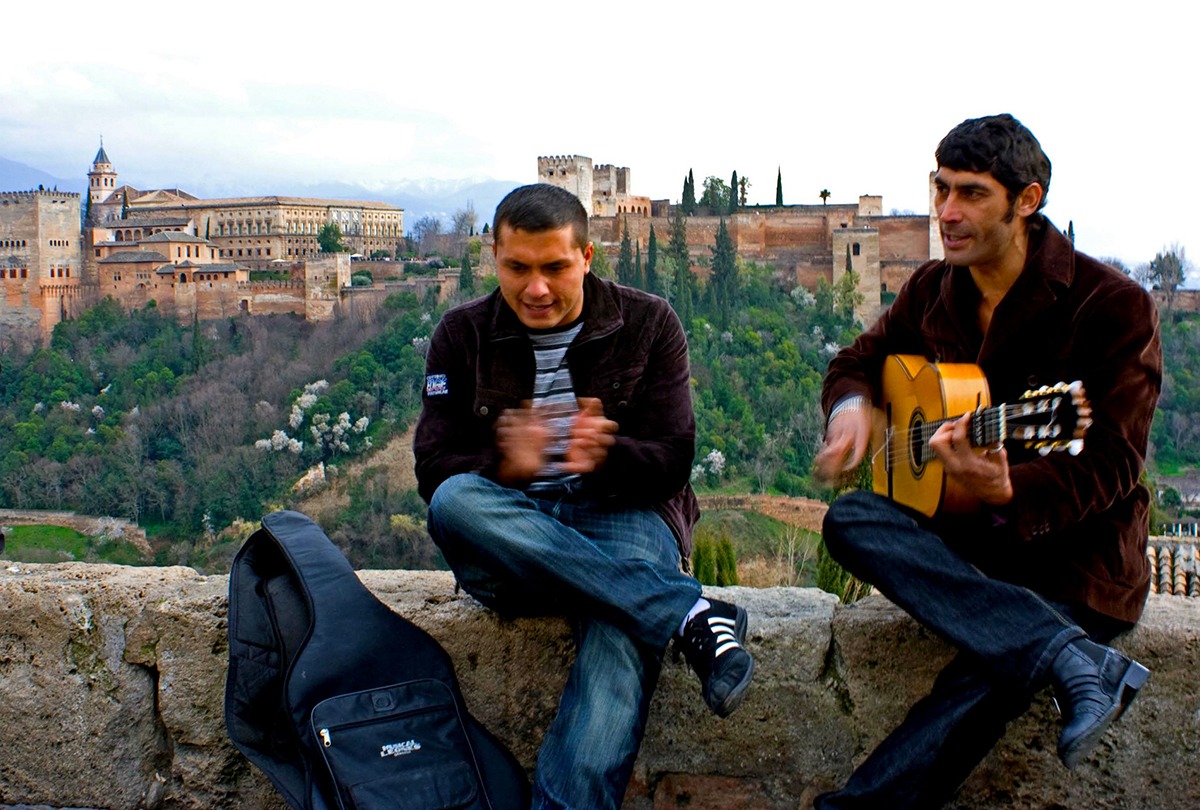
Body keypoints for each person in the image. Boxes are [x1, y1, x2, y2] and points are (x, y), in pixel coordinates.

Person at [812, 114, 1161, 809]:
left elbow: (1116, 463)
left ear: (1026, 202)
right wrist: (850, 408)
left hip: (1072, 556)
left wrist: (1012, 485)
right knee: (852, 518)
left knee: (990, 669)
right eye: (941, 189)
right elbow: (857, 362)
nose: (946, 213)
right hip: (966, 543)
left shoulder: (1112, 304)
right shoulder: (935, 288)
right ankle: (1070, 656)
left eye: (970, 194)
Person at [414, 183, 755, 810]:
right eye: (518, 268)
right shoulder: (462, 335)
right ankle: (681, 611)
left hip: (616, 518)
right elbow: (434, 471)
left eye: (554, 268)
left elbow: (673, 463)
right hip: (512, 543)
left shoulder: (649, 323)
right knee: (460, 499)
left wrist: (605, 455)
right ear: (494, 257)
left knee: (618, 631)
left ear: (588, 256)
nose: (535, 289)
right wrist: (506, 466)